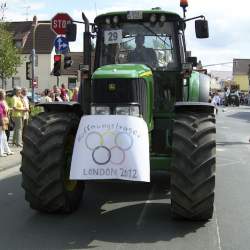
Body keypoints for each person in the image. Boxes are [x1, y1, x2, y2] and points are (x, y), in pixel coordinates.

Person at [0, 89, 13, 156]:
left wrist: (10, 109)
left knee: (4, 136)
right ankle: (1, 152)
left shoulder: (3, 101)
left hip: (5, 119)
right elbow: (0, 114)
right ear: (1, 95)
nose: (5, 95)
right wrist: (2, 123)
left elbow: (5, 110)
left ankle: (7, 150)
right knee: (1, 136)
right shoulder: (0, 103)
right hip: (2, 120)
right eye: (4, 94)